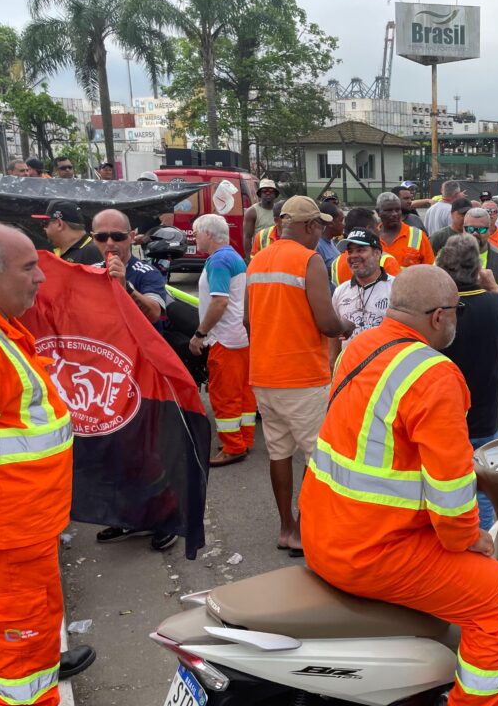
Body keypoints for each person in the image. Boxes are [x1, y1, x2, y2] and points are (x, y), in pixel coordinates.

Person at [302, 264, 498, 706]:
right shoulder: (434, 374)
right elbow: (451, 492)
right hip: (373, 550)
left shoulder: (359, 348)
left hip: (325, 531)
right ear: (437, 317)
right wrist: (473, 537)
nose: (458, 321)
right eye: (457, 312)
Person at [0, 222, 103, 706]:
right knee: (16, 619)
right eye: (28, 268)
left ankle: (43, 669)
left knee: (42, 608)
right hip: (8, 523)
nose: (40, 278)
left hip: (30, 519)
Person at [246, 196, 353, 555]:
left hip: (264, 375)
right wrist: (346, 325)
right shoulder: (309, 260)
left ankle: (286, 528)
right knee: (316, 456)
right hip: (303, 376)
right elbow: (326, 322)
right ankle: (309, 527)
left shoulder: (258, 260)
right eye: (319, 226)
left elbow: (248, 321)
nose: (321, 233)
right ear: (308, 227)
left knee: (278, 452)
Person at [90, 209, 177, 551]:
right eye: (101, 237)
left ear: (132, 237)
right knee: (114, 450)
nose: (110, 243)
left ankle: (165, 517)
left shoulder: (145, 272)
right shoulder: (90, 272)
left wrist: (124, 285)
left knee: (148, 451)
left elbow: (154, 312)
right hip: (107, 377)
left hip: (145, 375)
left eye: (117, 235)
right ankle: (128, 517)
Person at [438, 234, 498, 530]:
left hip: (444, 418)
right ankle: (483, 540)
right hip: (485, 419)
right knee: (484, 488)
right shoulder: (493, 303)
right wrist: (494, 286)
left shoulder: (436, 310)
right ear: (478, 269)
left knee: (444, 487)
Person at [188, 213, 255, 467]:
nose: (195, 238)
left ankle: (233, 446)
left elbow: (219, 301)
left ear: (208, 234)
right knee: (243, 392)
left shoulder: (218, 261)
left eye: (196, 233)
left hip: (225, 338)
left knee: (224, 394)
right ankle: (244, 438)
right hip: (240, 335)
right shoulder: (233, 256)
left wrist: (200, 334)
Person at [330, 226, 394, 356]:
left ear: (377, 253)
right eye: (350, 251)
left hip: (386, 369)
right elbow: (333, 340)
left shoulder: (396, 287)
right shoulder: (340, 291)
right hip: (349, 370)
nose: (353, 256)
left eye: (360, 250)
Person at [330, 208, 402, 284]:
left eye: (360, 250)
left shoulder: (337, 262)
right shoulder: (386, 260)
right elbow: (398, 291)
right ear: (368, 229)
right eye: (377, 227)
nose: (379, 231)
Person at [460, 207, 498, 293]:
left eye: (481, 230)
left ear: (489, 230)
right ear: (463, 229)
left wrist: (493, 287)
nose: (475, 233)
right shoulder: (447, 256)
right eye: (470, 229)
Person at [30, 200, 102, 265]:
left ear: (59, 224)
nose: (44, 228)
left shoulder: (92, 253)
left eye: (45, 223)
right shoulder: (59, 252)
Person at [377, 192, 435, 268]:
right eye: (389, 210)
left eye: (397, 210)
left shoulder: (418, 235)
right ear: (378, 212)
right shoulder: (372, 237)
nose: (394, 214)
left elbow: (430, 269)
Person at [243, 178, 280, 254]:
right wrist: (249, 260)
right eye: (264, 191)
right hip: (260, 254)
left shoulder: (280, 211)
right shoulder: (252, 212)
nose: (268, 193)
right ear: (260, 194)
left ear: (275, 194)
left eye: (271, 191)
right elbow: (247, 237)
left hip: (276, 254)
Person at [316, 201, 343, 271]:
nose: (344, 224)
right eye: (341, 220)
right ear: (331, 223)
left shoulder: (331, 241)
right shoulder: (318, 246)